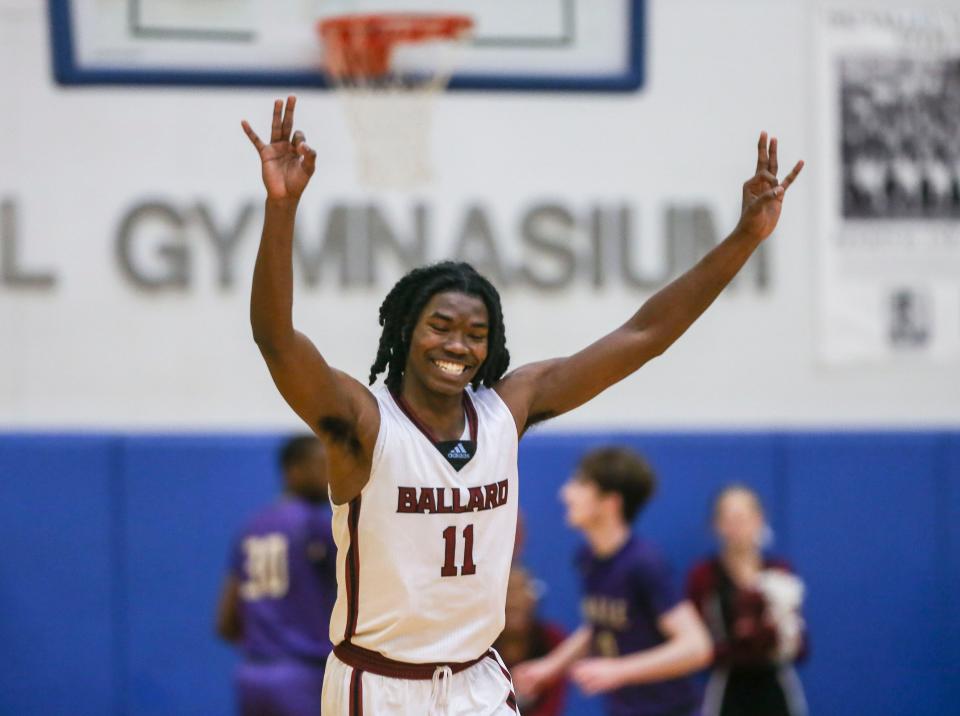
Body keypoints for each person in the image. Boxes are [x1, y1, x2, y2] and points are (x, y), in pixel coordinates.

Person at [241, 95, 803, 715]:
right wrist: (281, 208)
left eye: (475, 333)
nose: (457, 344)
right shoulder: (365, 423)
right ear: (405, 332)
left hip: (478, 683)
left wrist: (745, 238)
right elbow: (276, 340)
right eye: (441, 326)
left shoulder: (509, 407)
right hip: (379, 686)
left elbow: (643, 336)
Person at [512, 447, 711, 716]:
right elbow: (600, 624)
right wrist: (550, 667)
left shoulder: (643, 563)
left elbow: (696, 647)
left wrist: (619, 670)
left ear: (610, 502)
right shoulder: (589, 558)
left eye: (580, 484)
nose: (566, 493)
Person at [215, 435, 337, 716]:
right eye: (321, 465)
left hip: (252, 675)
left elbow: (224, 622)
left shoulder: (252, 526)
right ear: (293, 471)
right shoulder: (316, 524)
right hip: (303, 675)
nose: (331, 474)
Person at [686, 485, 808, 716]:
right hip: (728, 687)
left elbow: (799, 645)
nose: (736, 526)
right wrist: (739, 645)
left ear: (759, 519)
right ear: (716, 525)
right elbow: (695, 645)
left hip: (774, 686)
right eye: (728, 518)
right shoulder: (703, 576)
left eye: (742, 517)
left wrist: (772, 640)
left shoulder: (780, 573)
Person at [493, 566, 569, 716]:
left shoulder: (554, 642)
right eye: (508, 591)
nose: (514, 601)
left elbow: (552, 707)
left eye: (520, 590)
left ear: (533, 598)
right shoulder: (479, 647)